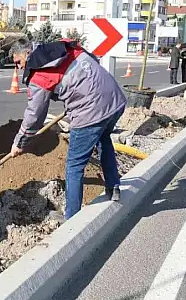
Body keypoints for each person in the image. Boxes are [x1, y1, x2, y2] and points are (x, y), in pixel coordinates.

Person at [8, 38, 127, 220]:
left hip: (89, 111)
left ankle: (71, 217)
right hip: (115, 100)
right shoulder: (63, 47)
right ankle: (114, 186)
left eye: (18, 62)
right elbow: (91, 62)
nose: (19, 67)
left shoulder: (39, 73)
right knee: (103, 138)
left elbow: (35, 115)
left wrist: (20, 142)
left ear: (27, 53)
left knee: (74, 165)